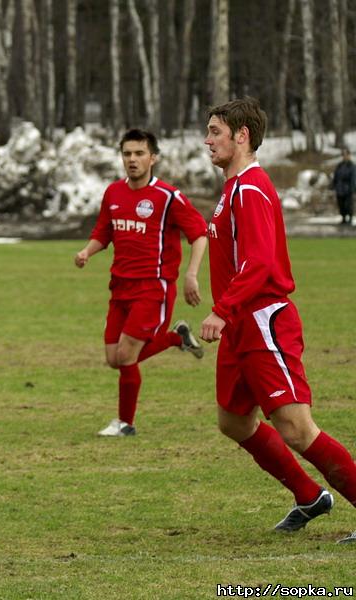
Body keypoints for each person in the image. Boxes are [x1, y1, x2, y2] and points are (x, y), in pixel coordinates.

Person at [201, 97, 356, 542]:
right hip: (240, 325)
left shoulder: (249, 189)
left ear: (242, 136)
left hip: (262, 320)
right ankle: (309, 496)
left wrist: (221, 310)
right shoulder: (234, 188)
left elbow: (260, 263)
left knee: (296, 428)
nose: (207, 140)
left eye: (215, 131)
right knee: (234, 422)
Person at [74, 128, 208, 437]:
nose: (132, 159)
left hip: (153, 287)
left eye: (139, 153)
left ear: (153, 158)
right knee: (113, 359)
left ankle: (125, 424)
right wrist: (86, 252)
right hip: (120, 287)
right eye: (127, 154)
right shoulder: (113, 193)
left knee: (126, 356)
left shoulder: (169, 197)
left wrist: (191, 275)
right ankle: (176, 338)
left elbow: (199, 234)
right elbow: (104, 232)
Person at [330, 148, 356, 225]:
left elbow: (353, 178)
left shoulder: (352, 166)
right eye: (343, 155)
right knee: (341, 204)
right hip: (339, 188)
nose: (345, 156)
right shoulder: (339, 165)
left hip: (348, 188)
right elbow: (336, 176)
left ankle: (350, 219)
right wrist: (333, 185)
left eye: (346, 155)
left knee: (348, 205)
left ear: (349, 155)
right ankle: (343, 218)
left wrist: (353, 189)